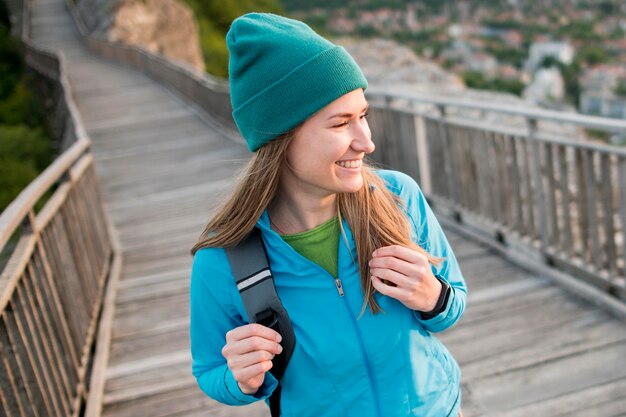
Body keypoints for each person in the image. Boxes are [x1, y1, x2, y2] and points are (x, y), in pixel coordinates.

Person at [189, 12, 467, 417]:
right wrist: (242, 379)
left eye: (363, 116)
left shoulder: (399, 198)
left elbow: (452, 304)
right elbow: (210, 371)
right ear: (280, 139)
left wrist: (433, 296)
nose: (366, 142)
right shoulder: (222, 261)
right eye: (340, 123)